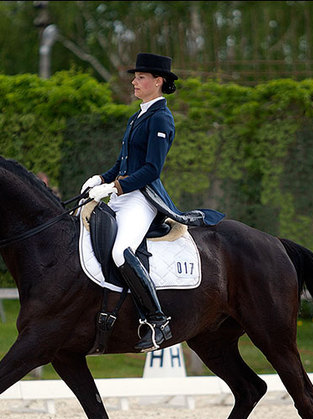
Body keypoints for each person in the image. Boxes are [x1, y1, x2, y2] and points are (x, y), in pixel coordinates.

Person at [81, 53, 225, 352]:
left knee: (122, 251)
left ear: (158, 82)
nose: (134, 81)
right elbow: (125, 162)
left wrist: (115, 187)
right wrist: (100, 179)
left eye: (141, 77)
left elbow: (150, 170)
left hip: (142, 198)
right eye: (135, 77)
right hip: (124, 194)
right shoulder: (140, 114)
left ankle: (158, 321)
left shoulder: (161, 117)